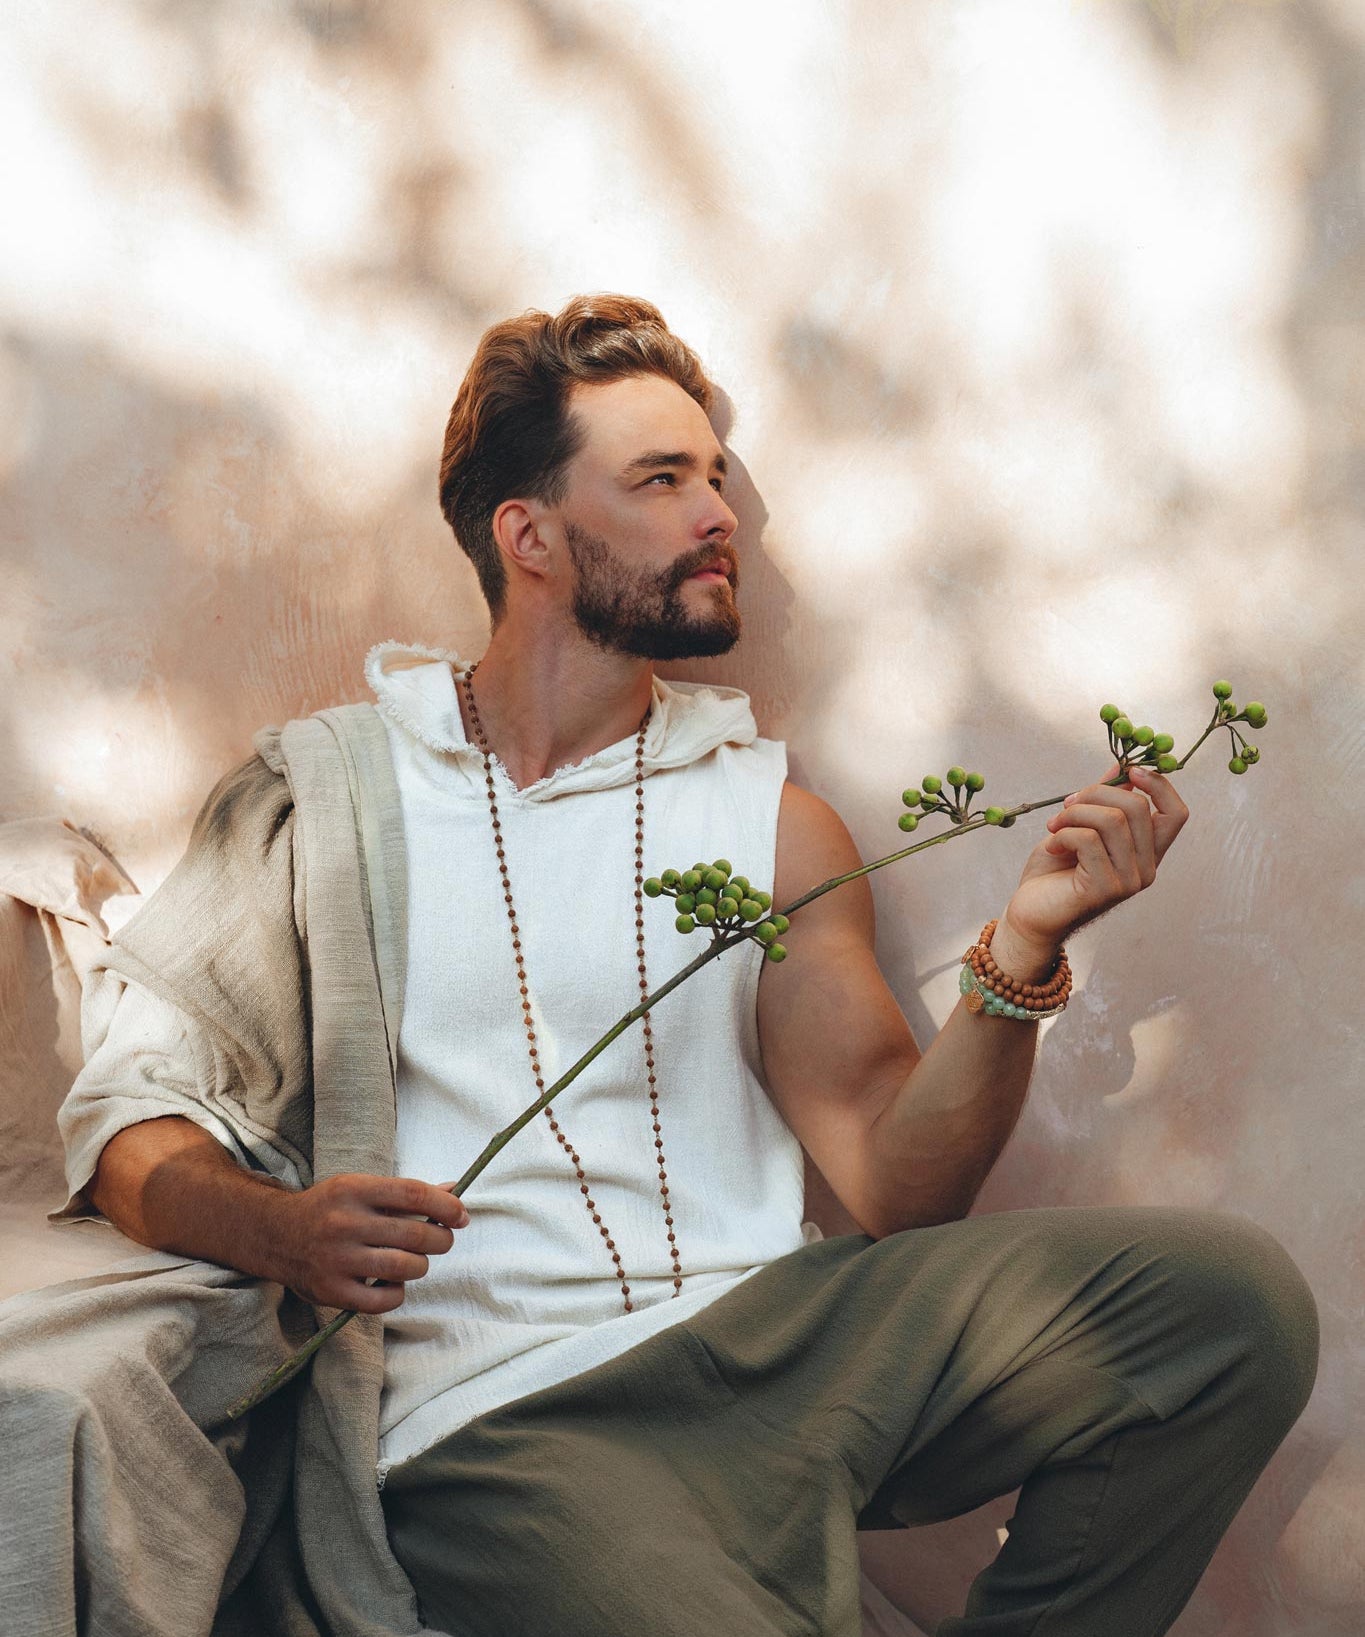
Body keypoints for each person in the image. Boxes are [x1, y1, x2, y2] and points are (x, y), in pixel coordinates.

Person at [45, 294, 1315, 1637]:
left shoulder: (768, 818)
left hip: (786, 1341)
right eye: (661, 480)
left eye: (715, 477)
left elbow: (898, 1181)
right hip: (507, 1420)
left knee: (1226, 1308)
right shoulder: (334, 799)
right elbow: (132, 1112)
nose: (720, 515)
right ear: (528, 536)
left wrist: (1027, 944)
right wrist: (283, 1231)